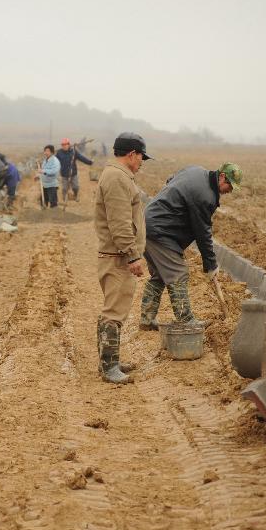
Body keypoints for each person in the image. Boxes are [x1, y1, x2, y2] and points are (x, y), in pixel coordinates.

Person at [139, 163, 242, 330]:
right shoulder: (205, 196)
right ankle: (186, 321)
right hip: (160, 231)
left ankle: (146, 320)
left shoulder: (195, 171)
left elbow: (170, 180)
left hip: (148, 223)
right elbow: (203, 232)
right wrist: (211, 264)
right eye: (229, 185)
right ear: (222, 176)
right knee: (178, 273)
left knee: (159, 274)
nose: (229, 190)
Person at [94, 132, 151, 384]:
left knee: (113, 309)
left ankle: (110, 361)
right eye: (141, 157)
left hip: (116, 254)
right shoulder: (117, 178)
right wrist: (132, 255)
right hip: (117, 256)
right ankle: (109, 368)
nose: (141, 162)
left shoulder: (117, 175)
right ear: (131, 154)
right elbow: (120, 223)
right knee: (114, 312)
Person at [56, 137, 94, 202]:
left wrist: (89, 162)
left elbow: (81, 158)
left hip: (73, 173)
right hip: (64, 174)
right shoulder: (59, 152)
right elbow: (55, 161)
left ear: (68, 145)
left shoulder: (73, 151)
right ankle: (64, 197)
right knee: (65, 188)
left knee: (75, 187)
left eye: (65, 144)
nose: (64, 146)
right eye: (63, 145)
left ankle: (75, 195)